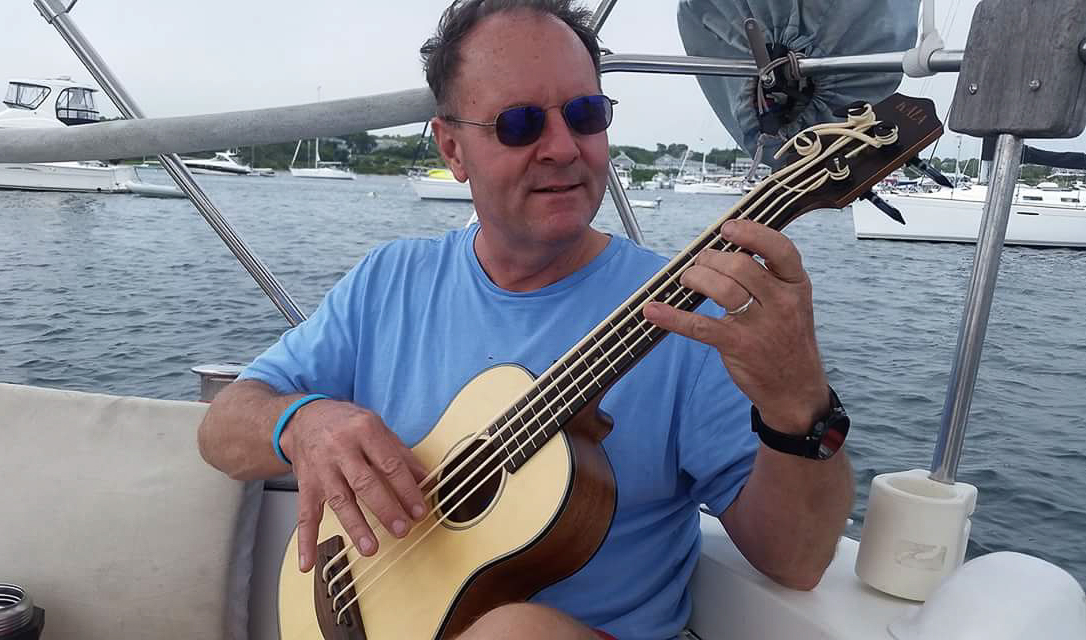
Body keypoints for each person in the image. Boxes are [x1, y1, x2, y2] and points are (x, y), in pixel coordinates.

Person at [197, 1, 854, 638]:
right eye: (519, 124)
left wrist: (797, 402)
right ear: (452, 149)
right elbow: (221, 433)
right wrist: (303, 423)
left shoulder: (690, 313)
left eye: (585, 114)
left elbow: (795, 561)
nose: (563, 148)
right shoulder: (389, 280)